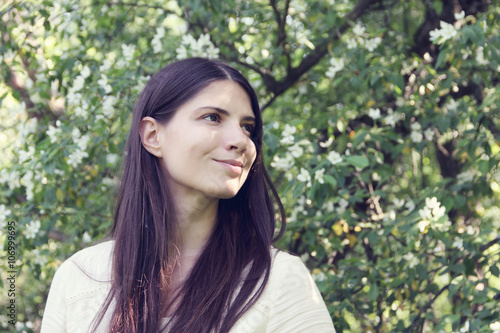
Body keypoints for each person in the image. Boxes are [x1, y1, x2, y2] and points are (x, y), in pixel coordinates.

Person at [41, 58, 336, 333]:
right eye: (212, 117)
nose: (241, 141)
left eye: (248, 128)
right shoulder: (78, 279)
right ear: (153, 136)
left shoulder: (279, 281)